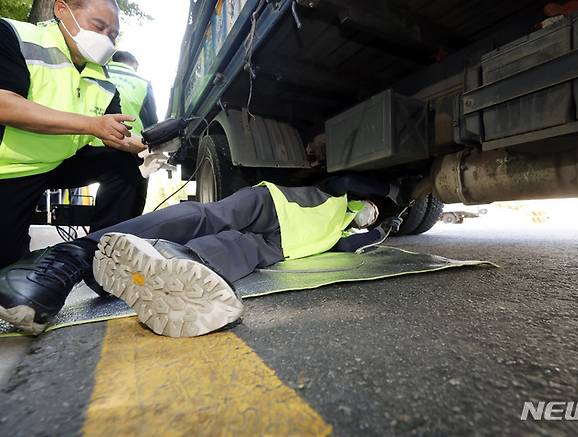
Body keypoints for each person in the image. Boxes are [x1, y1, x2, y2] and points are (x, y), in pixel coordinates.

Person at [0, 175, 405, 337]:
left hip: (281, 247)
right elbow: (343, 181)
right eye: (370, 206)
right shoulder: (341, 198)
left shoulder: (349, 232)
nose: (370, 212)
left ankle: (169, 265)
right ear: (366, 199)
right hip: (271, 202)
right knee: (203, 215)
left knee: (233, 253)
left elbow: (361, 244)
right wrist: (363, 205)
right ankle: (69, 259)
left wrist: (370, 229)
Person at [0, 0, 147, 270]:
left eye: (112, 35)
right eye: (98, 26)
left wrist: (150, 147)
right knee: (9, 271)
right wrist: (90, 124)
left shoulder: (101, 77)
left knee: (125, 165)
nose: (105, 39)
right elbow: (3, 104)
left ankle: (106, 259)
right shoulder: (16, 37)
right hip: (9, 172)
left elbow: (116, 133)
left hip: (56, 163)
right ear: (61, 9)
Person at [106, 50, 158, 137]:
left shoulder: (97, 72)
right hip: (129, 142)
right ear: (135, 64)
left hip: (88, 140)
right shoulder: (143, 82)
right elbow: (153, 122)